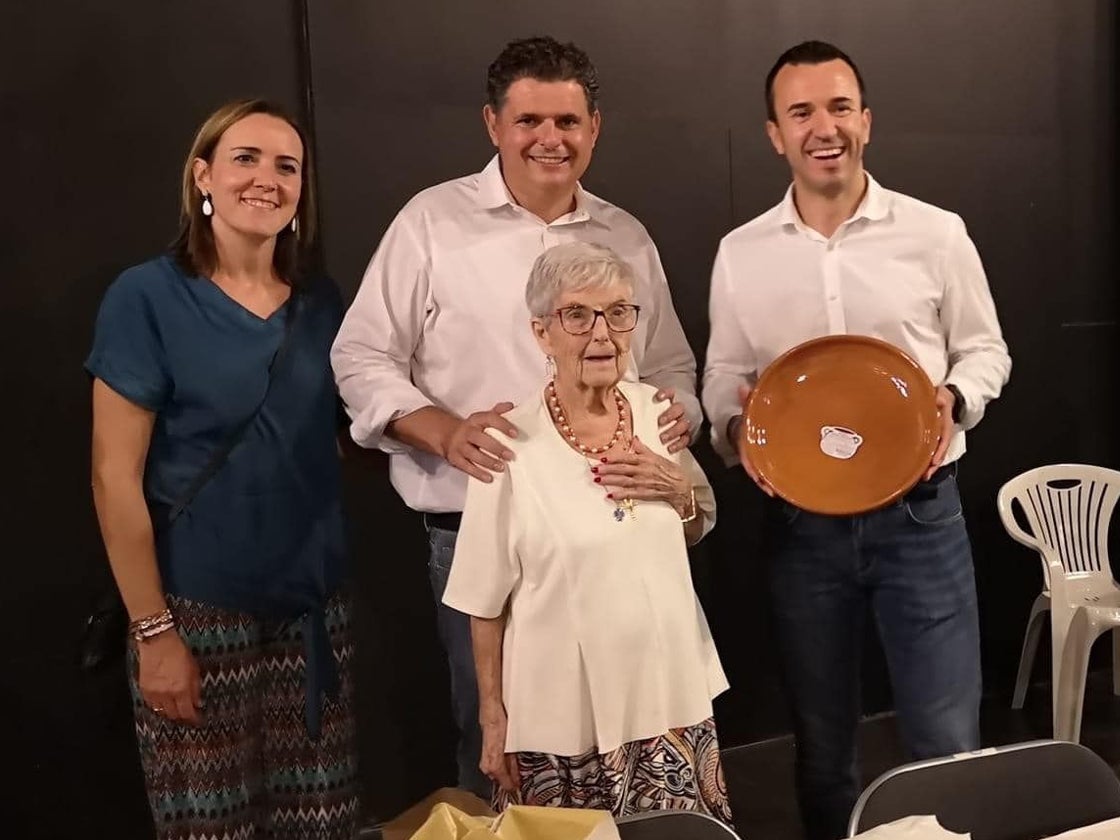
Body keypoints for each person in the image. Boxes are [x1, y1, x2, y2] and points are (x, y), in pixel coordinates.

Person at [331, 36, 699, 796]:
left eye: (567, 121)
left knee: (632, 737)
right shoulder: (431, 224)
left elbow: (671, 371)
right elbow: (360, 356)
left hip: (618, 537)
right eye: (529, 119)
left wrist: (672, 426)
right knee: (502, 744)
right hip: (479, 536)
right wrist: (441, 430)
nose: (549, 139)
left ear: (594, 128)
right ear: (492, 124)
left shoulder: (625, 237)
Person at [702, 41, 1012, 840]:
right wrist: (740, 433)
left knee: (948, 745)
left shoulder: (935, 234)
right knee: (822, 751)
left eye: (839, 107)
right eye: (801, 111)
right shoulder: (741, 254)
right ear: (775, 133)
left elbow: (987, 350)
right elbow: (723, 378)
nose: (823, 127)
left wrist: (955, 398)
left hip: (923, 519)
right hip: (803, 531)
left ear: (866, 120)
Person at [87, 99, 357, 839]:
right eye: (246, 158)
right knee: (213, 829)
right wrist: (153, 632)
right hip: (197, 613)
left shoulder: (321, 302)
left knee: (322, 826)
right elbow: (114, 478)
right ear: (202, 174)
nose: (266, 178)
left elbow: (334, 437)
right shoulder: (145, 297)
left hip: (313, 613)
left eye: (286, 165)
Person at [442, 241, 730, 821]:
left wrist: (676, 489)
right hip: (561, 725)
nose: (602, 335)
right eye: (578, 315)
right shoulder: (506, 443)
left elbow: (697, 523)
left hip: (668, 700)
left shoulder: (656, 412)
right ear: (542, 332)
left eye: (619, 312)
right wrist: (492, 718)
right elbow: (481, 599)